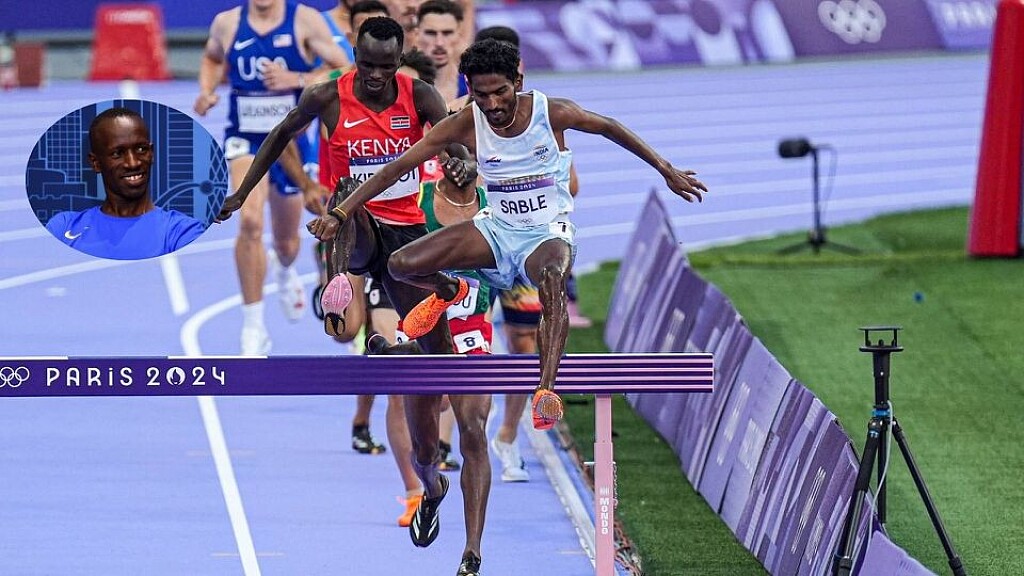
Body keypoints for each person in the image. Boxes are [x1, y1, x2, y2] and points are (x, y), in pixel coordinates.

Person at [306, 39, 706, 436]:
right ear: (469, 88)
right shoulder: (466, 122)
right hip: (496, 230)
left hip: (544, 233)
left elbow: (609, 127)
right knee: (401, 264)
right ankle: (449, 290)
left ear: (518, 81)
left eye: (500, 92)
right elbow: (396, 167)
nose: (493, 104)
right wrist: (341, 212)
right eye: (482, 95)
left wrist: (666, 169)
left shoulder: (552, 112)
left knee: (552, 278)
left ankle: (545, 390)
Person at [216, 18, 491, 575]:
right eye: (367, 66)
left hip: (409, 236)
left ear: (397, 62)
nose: (376, 77)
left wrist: (462, 162)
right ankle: (340, 286)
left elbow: (460, 144)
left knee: (431, 384)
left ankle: (430, 482)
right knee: (347, 207)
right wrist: (242, 192)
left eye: (386, 67)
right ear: (356, 58)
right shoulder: (328, 96)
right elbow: (279, 136)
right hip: (351, 226)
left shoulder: (419, 95)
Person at [194, 0, 350, 355]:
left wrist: (297, 79)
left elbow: (343, 69)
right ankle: (253, 326)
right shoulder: (227, 23)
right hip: (245, 138)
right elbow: (212, 58)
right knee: (249, 221)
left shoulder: (305, 20)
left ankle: (283, 267)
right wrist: (207, 90)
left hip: (292, 142)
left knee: (287, 243)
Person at [46, 107, 205, 260]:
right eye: (117, 153)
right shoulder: (63, 227)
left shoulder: (182, 231)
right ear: (96, 163)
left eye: (141, 149)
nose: (133, 163)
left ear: (151, 153)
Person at [414, 0, 468, 103]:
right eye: (431, 33)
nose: (439, 43)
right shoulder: (400, 85)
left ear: (459, 35)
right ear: (417, 35)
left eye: (447, 33)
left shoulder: (474, 85)